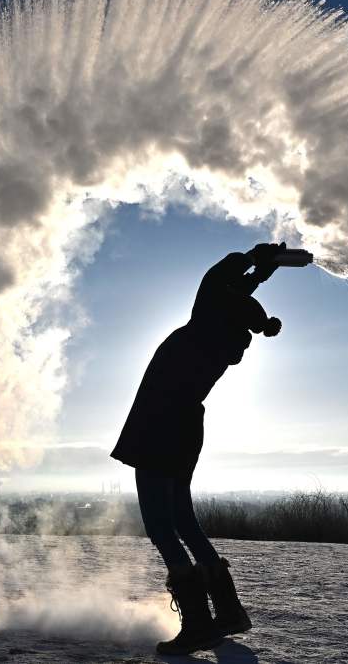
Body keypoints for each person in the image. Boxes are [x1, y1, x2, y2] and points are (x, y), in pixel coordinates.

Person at [110, 242, 287, 655]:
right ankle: (228, 612)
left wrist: (251, 256)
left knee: (160, 525)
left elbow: (216, 279)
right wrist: (260, 274)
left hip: (158, 426)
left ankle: (198, 624)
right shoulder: (227, 338)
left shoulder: (203, 321)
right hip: (186, 427)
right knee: (184, 521)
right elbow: (234, 295)